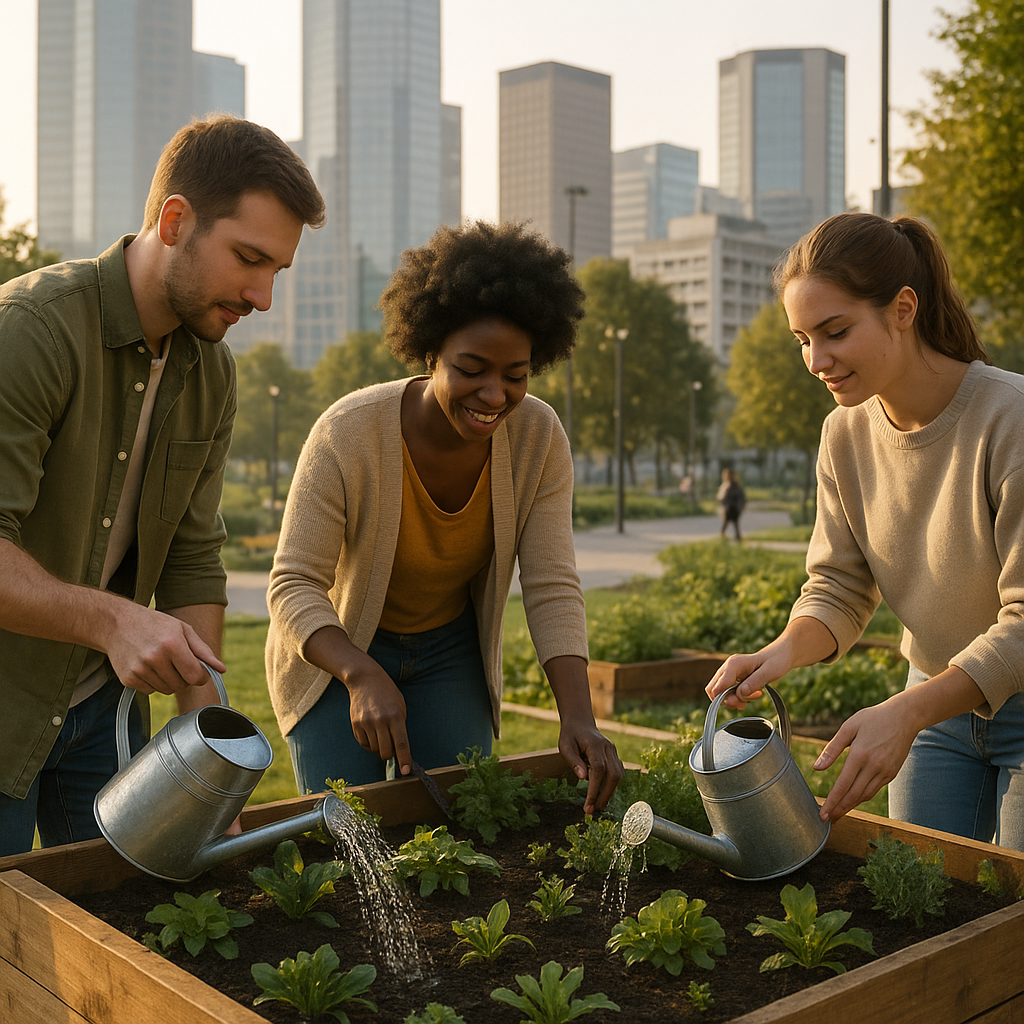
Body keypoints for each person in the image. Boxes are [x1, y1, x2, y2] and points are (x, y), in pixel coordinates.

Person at [0, 115, 325, 856]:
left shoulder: (213, 372)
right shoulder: (29, 332)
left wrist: (209, 746)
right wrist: (115, 623)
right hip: (6, 704)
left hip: (104, 714)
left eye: (277, 270)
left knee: (124, 938)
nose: (263, 297)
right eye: (249, 258)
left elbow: (191, 553)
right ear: (175, 221)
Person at [266, 220, 623, 815]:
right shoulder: (346, 432)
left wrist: (578, 718)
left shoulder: (538, 436)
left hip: (448, 650)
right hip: (338, 647)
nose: (494, 396)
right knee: (346, 832)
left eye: (516, 375)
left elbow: (552, 584)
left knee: (455, 825)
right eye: (471, 369)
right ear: (430, 352)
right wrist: (359, 673)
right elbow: (293, 584)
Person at [706, 211, 1024, 851]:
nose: (815, 360)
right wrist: (782, 652)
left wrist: (905, 715)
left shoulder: (1009, 419)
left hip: (987, 703)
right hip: (935, 709)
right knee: (921, 913)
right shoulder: (844, 435)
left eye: (835, 332)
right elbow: (839, 589)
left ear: (903, 309)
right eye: (802, 338)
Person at [716, 468, 746, 540]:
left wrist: (740, 506)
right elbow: (720, 497)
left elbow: (741, 497)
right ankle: (722, 535)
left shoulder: (736, 486)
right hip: (727, 508)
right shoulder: (725, 486)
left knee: (735, 522)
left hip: (735, 507)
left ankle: (737, 536)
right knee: (725, 522)